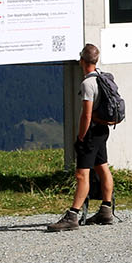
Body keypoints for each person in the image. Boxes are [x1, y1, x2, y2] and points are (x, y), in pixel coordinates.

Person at [47, 43, 115, 230]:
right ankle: (106, 210)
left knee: (81, 174)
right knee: (102, 167)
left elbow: (86, 114)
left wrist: (81, 137)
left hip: (91, 132)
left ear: (82, 61)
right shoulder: (102, 77)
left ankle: (72, 216)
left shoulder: (87, 84)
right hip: (103, 130)